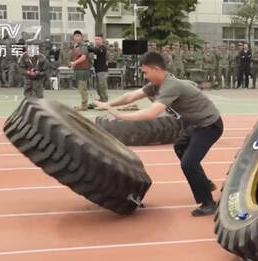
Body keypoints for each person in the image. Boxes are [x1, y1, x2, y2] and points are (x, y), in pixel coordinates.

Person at [94, 52, 223, 216]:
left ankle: (208, 203)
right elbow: (131, 96)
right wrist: (107, 104)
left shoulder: (171, 86)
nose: (145, 76)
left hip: (209, 125)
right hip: (194, 124)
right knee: (180, 147)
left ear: (156, 69)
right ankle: (204, 183)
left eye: (146, 72)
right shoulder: (156, 84)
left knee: (189, 163)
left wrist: (119, 115)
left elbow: (151, 114)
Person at [69, 30, 91, 111]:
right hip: (78, 69)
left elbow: (83, 57)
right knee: (80, 88)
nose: (77, 37)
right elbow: (75, 57)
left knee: (82, 87)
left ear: (81, 37)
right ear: (73, 37)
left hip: (83, 69)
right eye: (75, 36)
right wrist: (71, 63)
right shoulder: (76, 46)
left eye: (78, 36)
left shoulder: (83, 46)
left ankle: (84, 105)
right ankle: (83, 104)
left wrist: (74, 62)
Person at [88, 34, 109, 103]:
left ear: (102, 40)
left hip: (102, 71)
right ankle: (101, 99)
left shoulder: (103, 48)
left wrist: (87, 46)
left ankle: (105, 100)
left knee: (102, 86)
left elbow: (95, 50)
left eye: (98, 39)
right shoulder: (95, 49)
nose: (97, 41)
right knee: (98, 87)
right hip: (97, 70)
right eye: (96, 39)